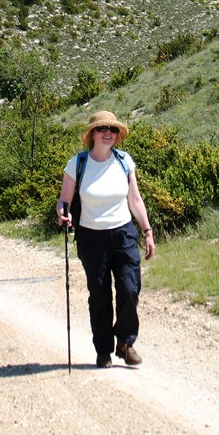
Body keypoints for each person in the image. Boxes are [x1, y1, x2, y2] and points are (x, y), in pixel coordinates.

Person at [57, 111, 155, 368]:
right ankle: (103, 350)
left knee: (129, 289)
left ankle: (125, 342)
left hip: (123, 234)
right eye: (102, 129)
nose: (108, 132)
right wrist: (62, 214)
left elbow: (135, 200)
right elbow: (64, 200)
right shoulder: (77, 164)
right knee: (99, 296)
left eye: (112, 128)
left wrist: (147, 231)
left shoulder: (124, 161)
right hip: (92, 239)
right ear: (92, 134)